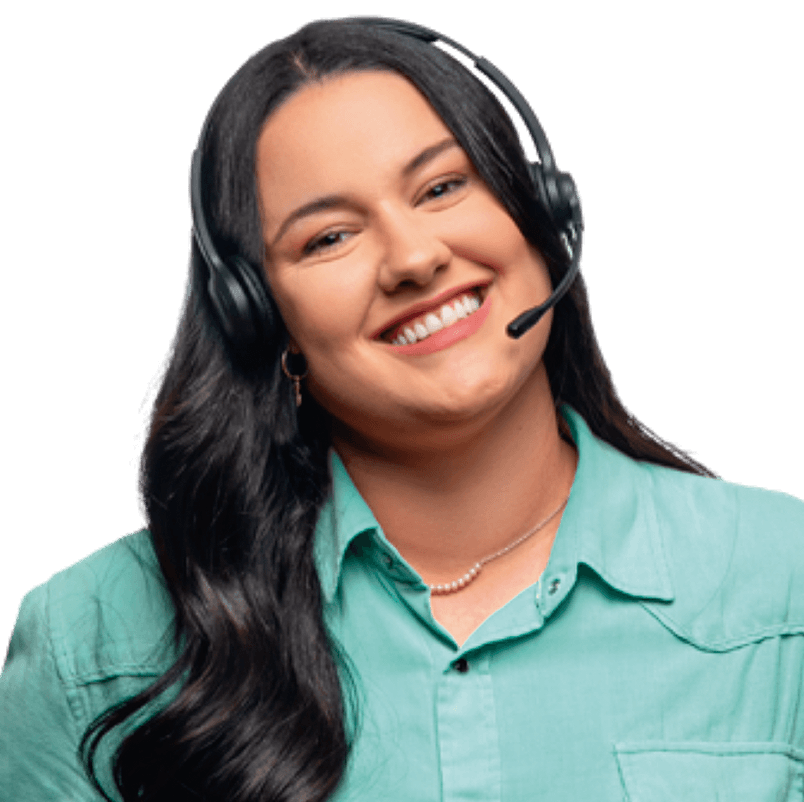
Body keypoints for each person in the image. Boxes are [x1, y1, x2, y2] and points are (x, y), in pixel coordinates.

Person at [2, 16, 802, 801]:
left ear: (544, 218)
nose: (415, 259)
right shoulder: (94, 641)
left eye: (443, 186)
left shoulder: (784, 580)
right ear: (261, 317)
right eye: (328, 239)